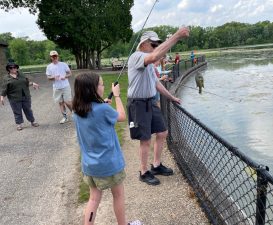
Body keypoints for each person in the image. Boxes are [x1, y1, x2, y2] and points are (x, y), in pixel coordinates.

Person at [72, 72, 141, 225]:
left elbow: (95, 115)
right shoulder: (103, 110)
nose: (103, 86)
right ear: (93, 89)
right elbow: (122, 117)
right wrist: (116, 96)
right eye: (101, 84)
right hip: (109, 164)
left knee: (94, 199)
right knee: (118, 195)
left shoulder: (77, 112)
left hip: (90, 165)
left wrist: (103, 104)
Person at [127, 28, 189, 185]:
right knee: (145, 139)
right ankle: (143, 171)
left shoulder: (148, 63)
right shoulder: (137, 57)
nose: (156, 48)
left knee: (162, 132)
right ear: (145, 44)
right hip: (138, 103)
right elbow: (155, 56)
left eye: (157, 45)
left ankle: (155, 165)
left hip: (150, 102)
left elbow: (156, 83)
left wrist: (172, 97)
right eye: (154, 44)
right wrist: (177, 36)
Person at [0, 61, 39, 131]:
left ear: (17, 67)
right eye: (11, 68)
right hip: (14, 98)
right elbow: (4, 88)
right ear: (8, 69)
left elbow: (26, 83)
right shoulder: (6, 78)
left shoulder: (21, 75)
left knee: (28, 110)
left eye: (15, 67)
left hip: (25, 96)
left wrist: (33, 83)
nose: (13, 69)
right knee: (17, 111)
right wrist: (2, 97)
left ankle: (32, 121)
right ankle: (19, 124)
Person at [46, 50, 72, 124]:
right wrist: (53, 77)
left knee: (68, 102)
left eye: (55, 56)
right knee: (61, 103)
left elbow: (70, 74)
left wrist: (65, 76)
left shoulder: (63, 64)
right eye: (53, 56)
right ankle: (65, 117)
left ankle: (74, 113)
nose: (54, 57)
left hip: (65, 86)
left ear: (58, 56)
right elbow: (48, 78)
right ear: (50, 57)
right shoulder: (49, 67)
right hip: (56, 87)